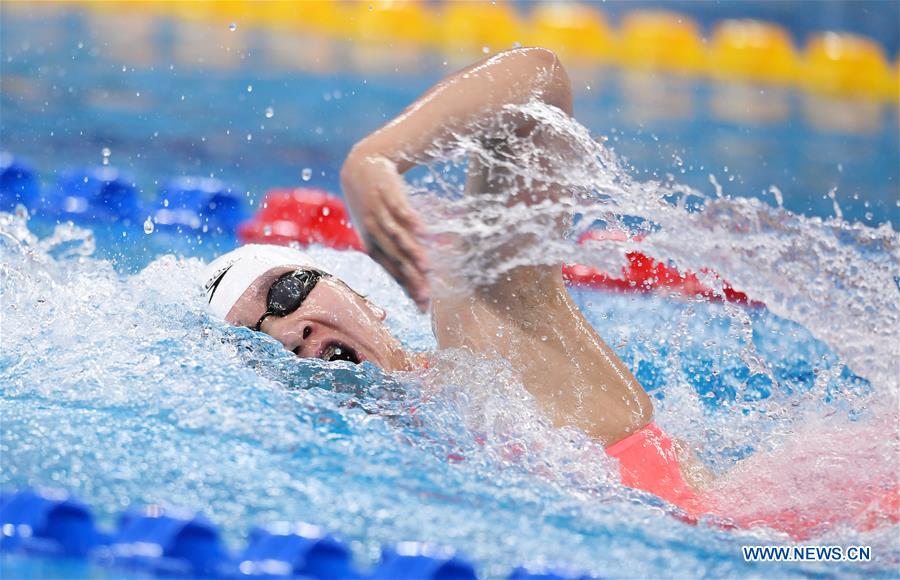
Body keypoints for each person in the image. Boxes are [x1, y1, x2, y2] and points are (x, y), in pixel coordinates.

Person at [203, 47, 708, 516]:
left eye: (284, 292)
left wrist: (374, 158)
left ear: (366, 298)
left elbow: (539, 81)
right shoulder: (377, 484)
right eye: (255, 339)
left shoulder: (487, 337)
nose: (286, 333)